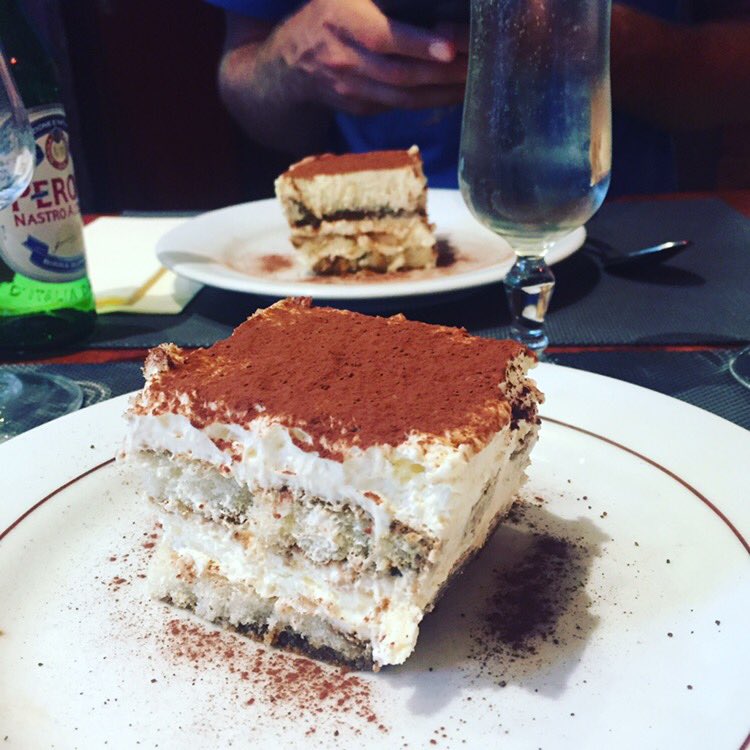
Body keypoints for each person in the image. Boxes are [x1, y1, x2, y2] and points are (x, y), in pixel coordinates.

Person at [210, 0, 750, 195]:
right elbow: (244, 82)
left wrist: (577, 28)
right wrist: (290, 60)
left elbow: (734, 78)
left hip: (621, 244)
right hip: (366, 252)